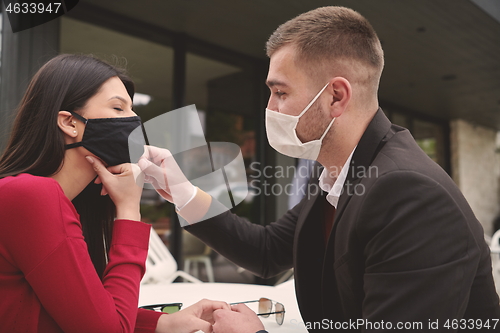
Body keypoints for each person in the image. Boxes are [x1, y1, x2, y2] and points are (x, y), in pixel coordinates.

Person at [139, 6, 500, 333]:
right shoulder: (337, 173)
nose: (270, 108)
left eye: (280, 93)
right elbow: (266, 251)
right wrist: (183, 191)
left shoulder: (410, 195)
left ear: (336, 97)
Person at [0, 54, 229, 333]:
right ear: (70, 123)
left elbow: (85, 310)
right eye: (118, 108)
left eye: (133, 110)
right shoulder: (30, 195)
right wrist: (129, 210)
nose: (134, 120)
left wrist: (163, 322)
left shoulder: (62, 201)